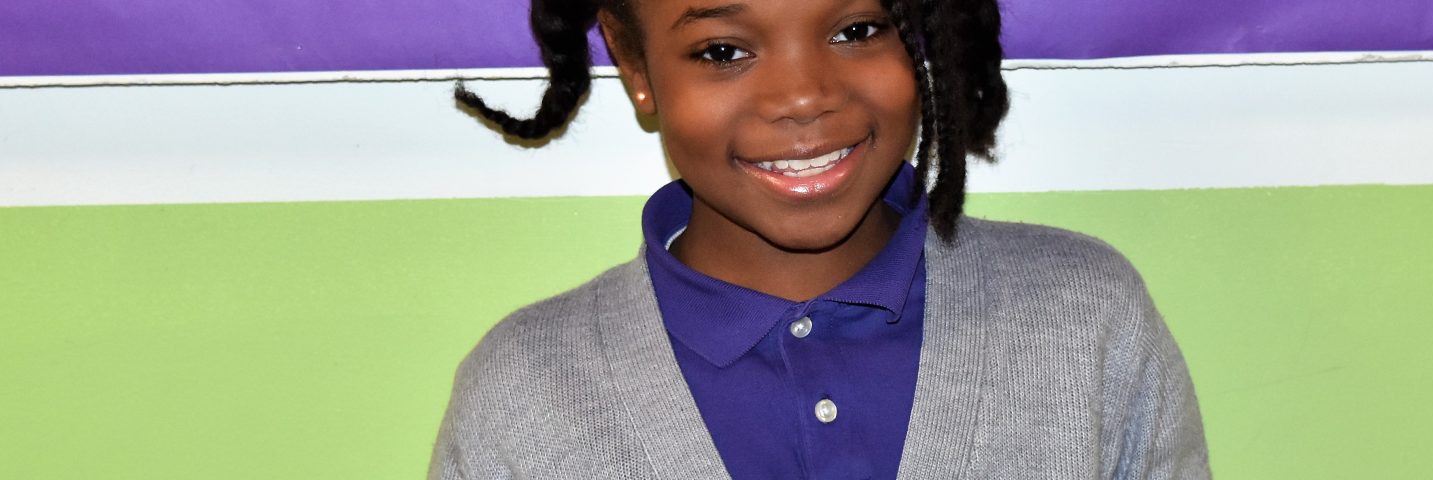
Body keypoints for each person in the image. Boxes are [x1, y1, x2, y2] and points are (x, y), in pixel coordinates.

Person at [430, 0, 1210, 478]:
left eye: (858, 29)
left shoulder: (1084, 320)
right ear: (635, 63)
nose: (802, 97)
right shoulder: (527, 391)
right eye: (723, 51)